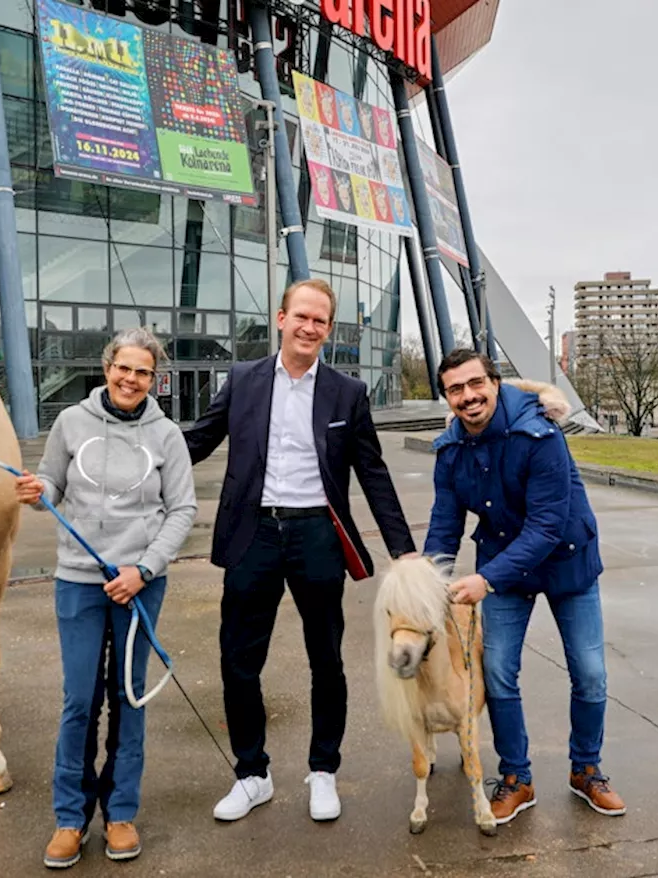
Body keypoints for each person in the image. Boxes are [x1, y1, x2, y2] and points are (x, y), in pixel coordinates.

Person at [183, 278, 416, 824]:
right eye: (302, 317)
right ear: (281, 318)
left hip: (316, 534)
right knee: (239, 661)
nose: (310, 327)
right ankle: (252, 774)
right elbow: (196, 441)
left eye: (321, 321)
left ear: (328, 330)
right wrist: (127, 454)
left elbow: (373, 474)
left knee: (326, 660)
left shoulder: (346, 393)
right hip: (252, 534)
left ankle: (323, 770)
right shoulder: (242, 380)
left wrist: (404, 552)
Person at [14, 328, 197, 869]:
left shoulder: (167, 435)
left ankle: (120, 813)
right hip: (79, 581)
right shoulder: (71, 423)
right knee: (79, 700)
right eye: (124, 368)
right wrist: (36, 493)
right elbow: (52, 483)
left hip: (139, 583)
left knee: (127, 695)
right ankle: (70, 818)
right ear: (107, 367)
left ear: (154, 378)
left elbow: (182, 510)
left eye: (143, 372)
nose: (131, 379)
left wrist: (143, 569)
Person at [422, 348, 625, 826]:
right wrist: (428, 582)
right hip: (502, 566)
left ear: (494, 383)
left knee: (590, 672)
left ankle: (587, 770)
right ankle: (516, 778)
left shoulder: (538, 432)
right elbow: (444, 525)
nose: (468, 397)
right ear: (446, 397)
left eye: (476, 384)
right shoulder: (450, 451)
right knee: (496, 672)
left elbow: (548, 525)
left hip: (566, 561)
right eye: (455, 389)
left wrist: (486, 579)